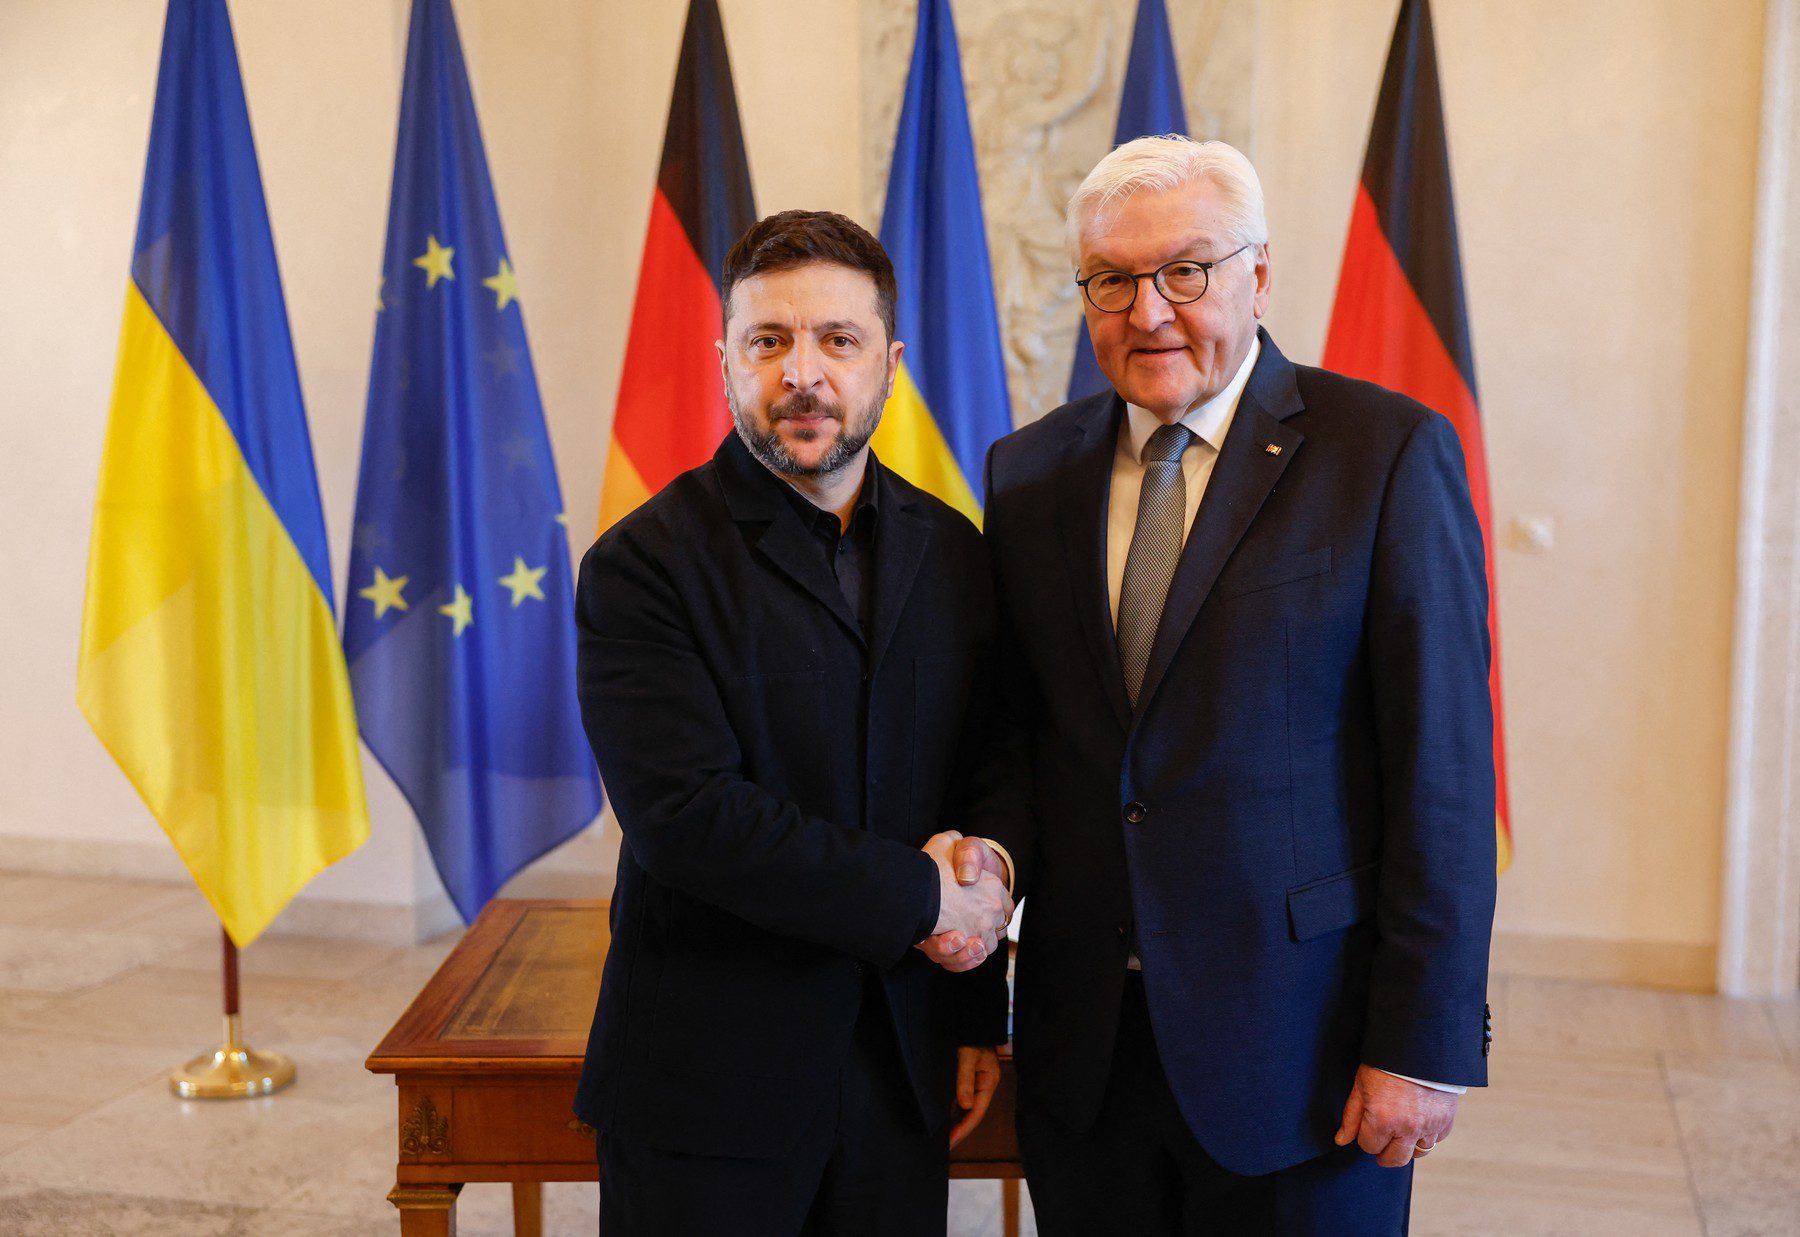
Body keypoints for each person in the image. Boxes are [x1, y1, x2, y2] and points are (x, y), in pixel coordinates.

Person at [926, 136, 1497, 1234]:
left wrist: (1420, 1045)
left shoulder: (1382, 454)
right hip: (1088, 1051)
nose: (1148, 311)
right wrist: (986, 879)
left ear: (1259, 275)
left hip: (1306, 1055)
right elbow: (1019, 738)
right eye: (1112, 279)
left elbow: (1444, 775)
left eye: (1185, 270)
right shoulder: (1029, 473)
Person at [573, 209, 1014, 1236]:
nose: (801, 374)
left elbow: (990, 766)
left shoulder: (956, 552)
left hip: (901, 1069)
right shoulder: (642, 565)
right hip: (708, 1084)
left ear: (888, 366)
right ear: (725, 360)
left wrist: (973, 989)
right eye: (768, 341)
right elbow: (688, 819)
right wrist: (928, 896)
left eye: (837, 340)